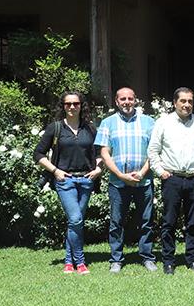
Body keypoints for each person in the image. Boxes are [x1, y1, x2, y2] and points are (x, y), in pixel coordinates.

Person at [33, 91, 103, 275]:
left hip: (86, 181)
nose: (72, 107)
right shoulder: (55, 128)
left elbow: (98, 153)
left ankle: (68, 261)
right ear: (63, 106)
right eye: (68, 104)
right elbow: (38, 154)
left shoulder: (89, 128)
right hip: (65, 181)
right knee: (75, 219)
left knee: (76, 222)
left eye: (76, 103)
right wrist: (55, 171)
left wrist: (98, 169)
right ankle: (79, 262)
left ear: (81, 106)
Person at [148, 87, 194, 275]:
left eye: (190, 101)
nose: (186, 104)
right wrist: (160, 171)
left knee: (193, 221)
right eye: (183, 101)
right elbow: (153, 150)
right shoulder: (163, 123)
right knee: (169, 221)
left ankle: (192, 258)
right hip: (172, 178)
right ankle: (168, 260)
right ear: (175, 103)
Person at [95, 87, 157, 273]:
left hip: (143, 181)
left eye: (130, 98)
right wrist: (121, 175)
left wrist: (143, 172)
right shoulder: (108, 123)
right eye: (123, 99)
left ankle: (147, 257)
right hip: (117, 182)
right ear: (116, 101)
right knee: (116, 222)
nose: (127, 102)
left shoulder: (149, 122)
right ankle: (116, 259)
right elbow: (105, 153)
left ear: (135, 100)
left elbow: (154, 150)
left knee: (146, 221)